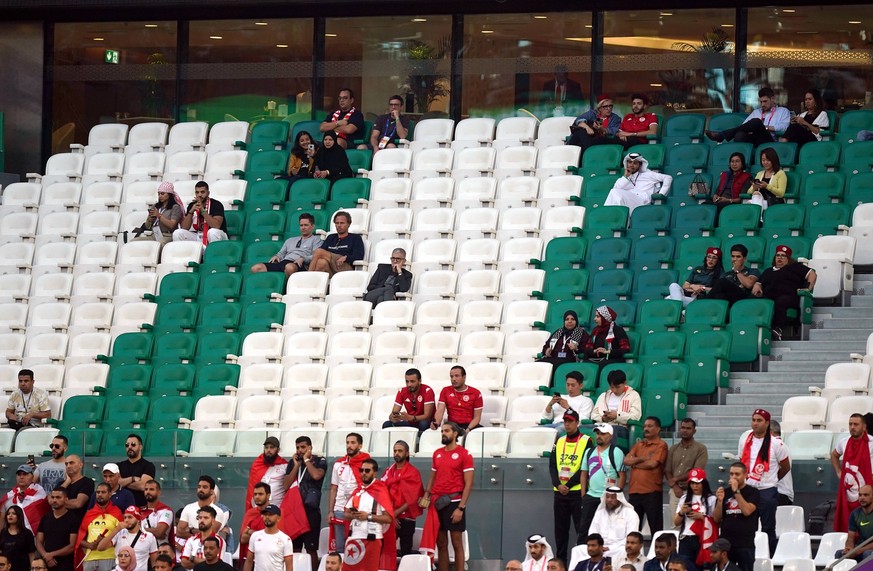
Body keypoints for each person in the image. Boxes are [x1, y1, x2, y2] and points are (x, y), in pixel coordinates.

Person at [419, 422, 474, 571]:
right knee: (441, 543)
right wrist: (426, 495)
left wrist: (461, 508)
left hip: (454, 502)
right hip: (437, 502)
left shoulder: (464, 454)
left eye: (447, 431)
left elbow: (469, 483)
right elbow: (432, 477)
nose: (443, 433)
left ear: (455, 434)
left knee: (457, 543)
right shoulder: (437, 453)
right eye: (442, 431)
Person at [738, 409, 789, 555]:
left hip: (767, 490)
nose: (755, 423)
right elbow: (741, 462)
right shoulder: (745, 441)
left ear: (767, 423)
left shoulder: (776, 444)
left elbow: (785, 466)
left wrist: (773, 479)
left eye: (759, 420)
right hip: (748, 489)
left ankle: (770, 557)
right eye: (753, 420)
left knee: (768, 528)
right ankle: (749, 555)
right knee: (747, 526)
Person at [549, 409, 594, 563]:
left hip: (576, 493)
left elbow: (585, 467)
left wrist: (567, 484)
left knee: (581, 531)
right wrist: (558, 484)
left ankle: (583, 563)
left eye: (570, 421)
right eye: (565, 421)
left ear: (577, 422)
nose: (567, 424)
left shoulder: (587, 440)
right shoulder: (559, 440)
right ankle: (561, 564)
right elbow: (553, 465)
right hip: (559, 493)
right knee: (560, 532)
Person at [751, 245, 816, 340]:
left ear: (788, 258)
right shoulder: (768, 271)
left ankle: (778, 330)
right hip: (769, 296)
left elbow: (812, 274)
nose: (780, 257)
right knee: (753, 299)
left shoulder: (795, 267)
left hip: (789, 297)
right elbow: (759, 282)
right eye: (778, 255)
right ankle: (753, 330)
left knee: (781, 301)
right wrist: (757, 285)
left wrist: (808, 288)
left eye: (783, 256)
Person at [342, 459, 394, 571]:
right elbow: (345, 515)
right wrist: (354, 515)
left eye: (367, 470)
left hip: (372, 538)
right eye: (361, 470)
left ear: (375, 473)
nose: (363, 473)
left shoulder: (380, 490)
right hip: (354, 537)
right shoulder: (357, 490)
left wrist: (368, 516)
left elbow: (389, 518)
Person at [283, 435, 326, 569]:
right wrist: (296, 466)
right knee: (294, 548)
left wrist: (307, 460)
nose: (300, 450)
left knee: (311, 548)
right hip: (295, 510)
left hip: (310, 511)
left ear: (310, 448)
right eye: (298, 448)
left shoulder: (320, 460)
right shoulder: (293, 462)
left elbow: (316, 475)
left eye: (303, 447)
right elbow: (285, 485)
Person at [578, 424, 626, 540]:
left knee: (607, 529)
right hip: (591, 496)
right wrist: (583, 495)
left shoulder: (616, 452)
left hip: (608, 498)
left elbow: (622, 476)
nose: (599, 436)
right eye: (598, 433)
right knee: (584, 530)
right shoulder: (589, 452)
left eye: (603, 434)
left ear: (610, 436)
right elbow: (584, 474)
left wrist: (616, 496)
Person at [328, 433, 371, 553]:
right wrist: (331, 511)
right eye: (347, 443)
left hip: (357, 511)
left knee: (357, 547)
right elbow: (333, 488)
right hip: (339, 509)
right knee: (340, 547)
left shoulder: (366, 464)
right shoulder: (338, 464)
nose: (349, 446)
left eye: (353, 443)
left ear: (360, 445)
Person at [624, 417, 668, 535]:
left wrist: (635, 464)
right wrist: (641, 459)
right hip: (634, 492)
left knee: (656, 529)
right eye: (645, 426)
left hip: (651, 492)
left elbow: (653, 464)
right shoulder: (639, 444)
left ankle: (657, 553)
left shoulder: (661, 445)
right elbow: (627, 460)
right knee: (632, 530)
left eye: (650, 426)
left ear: (658, 429)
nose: (646, 429)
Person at [713, 462, 760, 571]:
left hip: (745, 543)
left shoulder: (753, 492)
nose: (734, 477)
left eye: (737, 474)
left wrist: (736, 491)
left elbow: (747, 511)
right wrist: (720, 501)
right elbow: (716, 518)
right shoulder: (725, 492)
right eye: (731, 474)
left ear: (745, 475)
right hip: (726, 543)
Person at [380, 441, 423, 558]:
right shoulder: (389, 471)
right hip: (389, 517)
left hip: (406, 518)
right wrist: (390, 515)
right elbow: (382, 493)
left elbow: (413, 499)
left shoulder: (413, 472)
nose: (396, 453)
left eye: (400, 451)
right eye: (395, 451)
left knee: (405, 552)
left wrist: (395, 515)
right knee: (384, 550)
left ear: (407, 453)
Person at [705, 87, 790, 146]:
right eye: (761, 102)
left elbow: (784, 127)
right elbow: (744, 126)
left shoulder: (783, 111)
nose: (763, 104)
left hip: (769, 140)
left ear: (772, 99)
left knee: (756, 122)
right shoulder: (756, 112)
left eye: (765, 101)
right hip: (754, 139)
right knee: (739, 134)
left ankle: (722, 135)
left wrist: (766, 128)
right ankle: (740, 163)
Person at [832, 413, 873, 532]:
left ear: (864, 427)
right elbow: (834, 455)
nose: (852, 427)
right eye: (850, 424)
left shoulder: (871, 442)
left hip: (867, 488)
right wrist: (838, 472)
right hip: (848, 490)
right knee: (847, 522)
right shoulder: (843, 442)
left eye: (856, 424)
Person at [250, 213, 323, 276]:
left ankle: (286, 289)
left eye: (306, 225)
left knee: (289, 267)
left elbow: (316, 256)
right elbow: (281, 253)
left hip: (299, 264)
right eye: (301, 225)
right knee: (256, 268)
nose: (303, 228)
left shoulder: (316, 240)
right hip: (283, 262)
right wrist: (277, 256)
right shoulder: (290, 240)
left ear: (312, 226)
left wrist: (304, 258)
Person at [665, 419, 710, 520]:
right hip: (675, 491)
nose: (685, 430)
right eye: (683, 428)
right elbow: (667, 470)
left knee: (692, 522)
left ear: (694, 431)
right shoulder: (673, 448)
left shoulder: (700, 448)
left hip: (693, 491)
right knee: (675, 522)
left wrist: (675, 479)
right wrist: (675, 486)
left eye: (688, 428)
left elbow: (696, 471)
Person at [673, 468, 717, 567]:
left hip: (703, 538)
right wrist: (682, 512)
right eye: (692, 483)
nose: (694, 486)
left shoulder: (711, 499)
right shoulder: (684, 498)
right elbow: (676, 522)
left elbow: (716, 521)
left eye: (697, 483)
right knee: (685, 566)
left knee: (703, 567)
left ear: (704, 483)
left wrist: (702, 517)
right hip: (686, 537)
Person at [603, 152, 672, 215]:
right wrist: (626, 177)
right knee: (614, 192)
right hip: (629, 202)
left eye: (635, 163)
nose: (631, 165)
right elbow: (616, 191)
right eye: (630, 162)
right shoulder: (624, 178)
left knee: (615, 192)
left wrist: (661, 193)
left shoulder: (648, 174)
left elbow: (668, 178)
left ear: (640, 165)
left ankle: (609, 216)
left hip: (642, 201)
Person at [75, 482, 123, 571]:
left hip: (109, 558)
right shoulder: (89, 513)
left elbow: (122, 536)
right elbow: (80, 538)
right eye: (98, 492)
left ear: (110, 494)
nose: (100, 494)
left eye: (103, 492)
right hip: (89, 558)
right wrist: (89, 545)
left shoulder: (117, 513)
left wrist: (105, 541)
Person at [97, 506, 158, 571]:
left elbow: (154, 563)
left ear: (138, 519)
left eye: (130, 517)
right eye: (125, 517)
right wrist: (116, 530)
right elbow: (100, 548)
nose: (126, 520)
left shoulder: (149, 537)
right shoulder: (119, 533)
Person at [309, 211, 365, 277]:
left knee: (318, 251)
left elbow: (359, 256)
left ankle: (308, 277)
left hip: (345, 266)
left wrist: (346, 257)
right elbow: (320, 253)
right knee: (321, 263)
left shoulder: (355, 238)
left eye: (342, 223)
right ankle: (316, 284)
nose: (339, 225)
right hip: (330, 268)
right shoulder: (330, 237)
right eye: (337, 223)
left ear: (349, 224)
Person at [589, 486, 639, 559]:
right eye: (607, 497)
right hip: (599, 547)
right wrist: (598, 546)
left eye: (613, 497)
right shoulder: (599, 513)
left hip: (619, 548)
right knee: (578, 550)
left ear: (619, 499)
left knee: (622, 551)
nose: (609, 500)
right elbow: (592, 533)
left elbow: (631, 538)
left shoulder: (630, 514)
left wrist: (610, 548)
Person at [590, 369, 641, 439]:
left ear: (625, 383)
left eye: (617, 387)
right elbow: (593, 414)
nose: (614, 390)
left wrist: (617, 416)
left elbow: (635, 416)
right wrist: (603, 418)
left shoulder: (633, 395)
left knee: (612, 430)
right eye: (612, 387)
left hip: (621, 427)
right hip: (602, 425)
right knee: (582, 428)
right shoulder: (603, 396)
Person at [431, 366, 483, 432]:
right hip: (452, 425)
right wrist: (436, 423)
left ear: (464, 377)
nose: (454, 379)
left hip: (470, 425)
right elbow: (440, 411)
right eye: (451, 376)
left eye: (457, 376)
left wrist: (468, 429)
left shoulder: (476, 393)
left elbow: (477, 417)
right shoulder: (445, 390)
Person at [36, 487, 78, 571]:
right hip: (46, 564)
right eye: (52, 497)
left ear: (66, 499)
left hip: (66, 564)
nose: (54, 500)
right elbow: (39, 541)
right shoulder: (45, 518)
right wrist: (46, 556)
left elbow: (72, 546)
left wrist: (51, 555)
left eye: (58, 497)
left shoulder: (73, 519)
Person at [176, 477, 228, 542]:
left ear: (212, 491)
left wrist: (191, 530)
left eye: (205, 487)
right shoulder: (188, 508)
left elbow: (209, 534)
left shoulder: (218, 511)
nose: (201, 489)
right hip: (189, 548)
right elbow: (179, 532)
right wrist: (199, 534)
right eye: (199, 487)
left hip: (208, 548)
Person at [132, 181, 184, 246]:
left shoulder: (175, 207)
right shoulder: (156, 206)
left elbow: (172, 225)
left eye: (162, 194)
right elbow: (148, 226)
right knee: (133, 242)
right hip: (154, 235)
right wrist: (149, 219)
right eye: (159, 194)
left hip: (168, 236)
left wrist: (159, 215)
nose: (160, 196)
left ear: (169, 194)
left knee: (159, 245)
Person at [243, 505, 293, 571]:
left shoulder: (286, 539)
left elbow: (289, 567)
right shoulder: (255, 536)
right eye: (265, 514)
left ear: (278, 518)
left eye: (270, 515)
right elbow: (249, 561)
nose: (267, 517)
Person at [1, 464, 49, 532]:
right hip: (13, 537)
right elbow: (2, 519)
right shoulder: (9, 496)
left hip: (34, 537)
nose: (21, 477)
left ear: (32, 477)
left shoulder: (40, 495)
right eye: (19, 474)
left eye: (25, 474)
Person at [246, 436, 289, 509]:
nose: (268, 450)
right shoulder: (257, 464)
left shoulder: (284, 466)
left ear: (278, 450)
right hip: (259, 509)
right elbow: (251, 489)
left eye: (272, 447)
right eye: (266, 447)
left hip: (278, 509)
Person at [117, 435, 155, 508]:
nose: (130, 447)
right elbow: (114, 483)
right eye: (127, 445)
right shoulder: (119, 466)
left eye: (133, 444)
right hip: (121, 508)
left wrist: (122, 482)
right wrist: (132, 478)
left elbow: (143, 486)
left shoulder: (148, 466)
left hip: (140, 507)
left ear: (140, 447)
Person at [709, 153, 752, 218]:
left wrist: (728, 200)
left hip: (732, 203)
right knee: (704, 204)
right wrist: (715, 195)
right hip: (720, 201)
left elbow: (742, 198)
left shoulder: (746, 177)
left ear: (742, 163)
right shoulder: (725, 175)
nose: (734, 164)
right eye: (732, 161)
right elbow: (717, 191)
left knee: (719, 206)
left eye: (737, 161)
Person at [837, 484, 873, 561]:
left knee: (868, 554)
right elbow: (850, 537)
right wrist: (849, 549)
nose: (862, 498)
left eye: (865, 495)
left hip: (868, 551)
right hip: (860, 549)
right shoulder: (855, 514)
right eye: (860, 495)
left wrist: (857, 551)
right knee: (839, 553)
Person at [239, 482, 270, 569]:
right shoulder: (250, 513)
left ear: (268, 495)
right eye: (255, 494)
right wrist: (260, 535)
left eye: (260, 494)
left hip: (267, 558)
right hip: (248, 558)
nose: (257, 497)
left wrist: (250, 531)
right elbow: (243, 539)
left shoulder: (274, 513)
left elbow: (269, 538)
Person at [748, 147, 786, 212]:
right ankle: (760, 218)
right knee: (755, 195)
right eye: (763, 160)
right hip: (760, 201)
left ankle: (757, 219)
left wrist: (767, 186)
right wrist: (754, 187)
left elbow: (781, 193)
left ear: (773, 160)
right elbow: (749, 192)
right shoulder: (759, 174)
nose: (765, 162)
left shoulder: (780, 173)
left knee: (750, 204)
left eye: (768, 160)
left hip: (774, 202)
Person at [0, 505, 37, 571]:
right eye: (8, 514)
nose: (10, 516)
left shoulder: (27, 533)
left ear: (19, 516)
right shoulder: (3, 532)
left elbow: (31, 554)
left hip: (23, 568)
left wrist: (33, 569)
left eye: (14, 513)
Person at [61, 455, 94, 528]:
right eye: (66, 464)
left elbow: (78, 503)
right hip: (60, 524)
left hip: (77, 525)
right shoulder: (62, 484)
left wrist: (59, 503)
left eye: (71, 463)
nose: (68, 466)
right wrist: (67, 482)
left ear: (80, 465)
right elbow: (50, 499)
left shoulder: (87, 482)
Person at [141, 479, 173, 547]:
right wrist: (152, 531)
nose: (148, 492)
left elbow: (159, 532)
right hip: (143, 552)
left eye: (151, 489)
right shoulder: (139, 511)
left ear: (159, 492)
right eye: (146, 489)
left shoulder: (166, 511)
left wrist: (138, 530)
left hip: (160, 551)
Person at [769, 421, 794, 505]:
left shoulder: (775, 447)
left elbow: (784, 468)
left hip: (778, 492)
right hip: (784, 492)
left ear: (770, 432)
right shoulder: (784, 446)